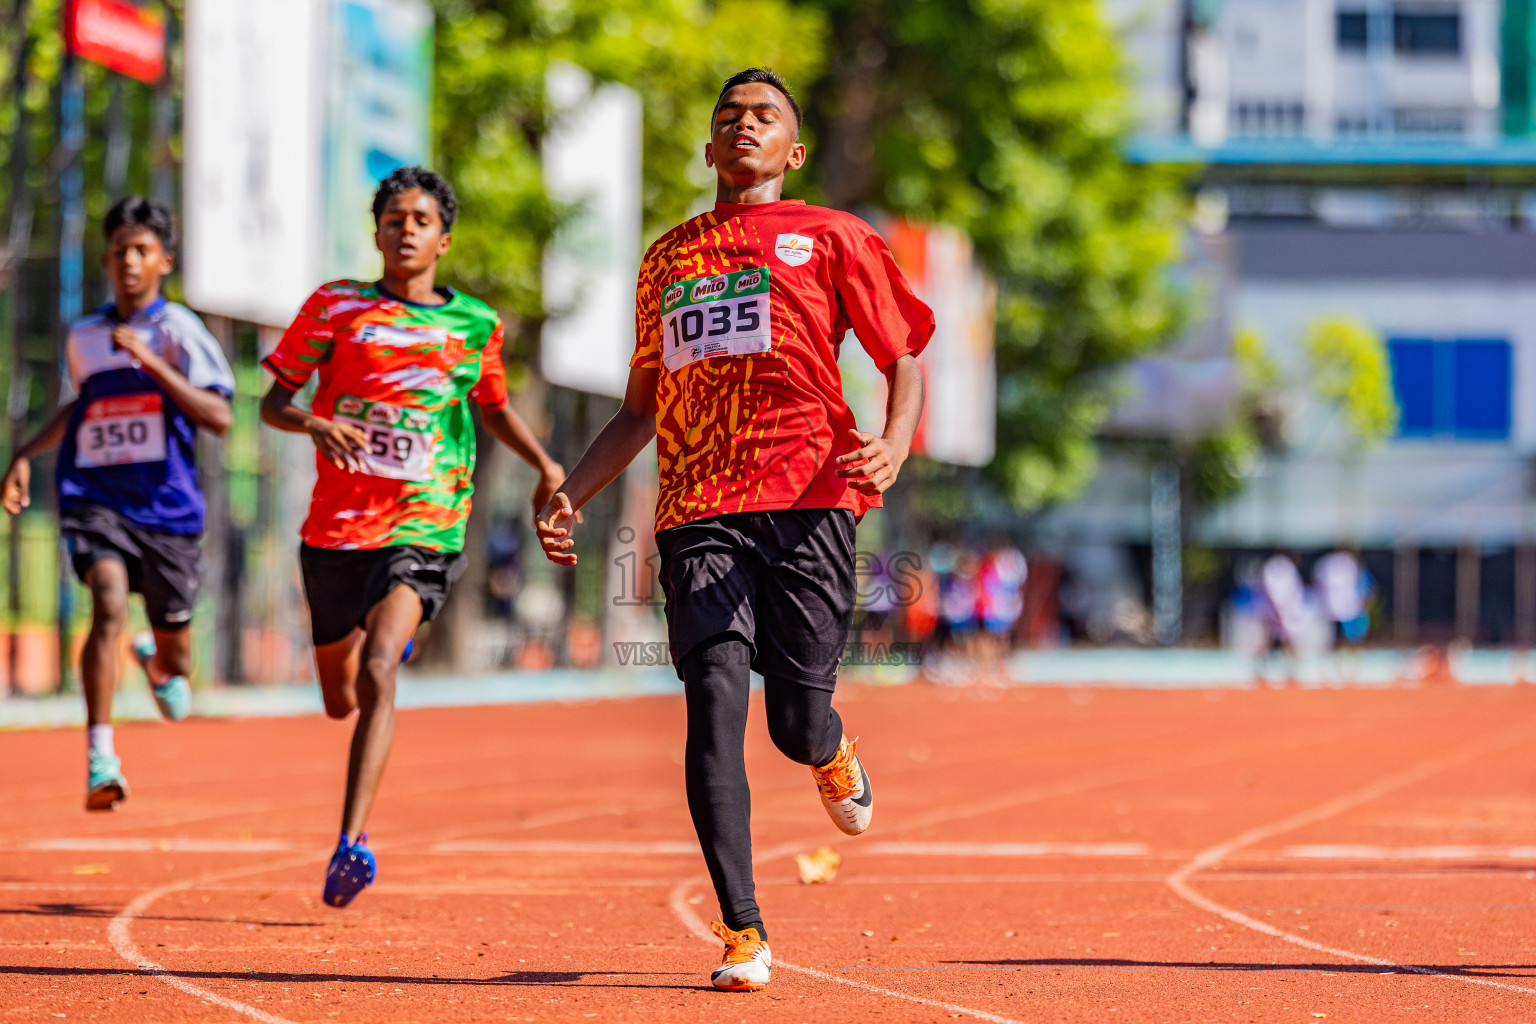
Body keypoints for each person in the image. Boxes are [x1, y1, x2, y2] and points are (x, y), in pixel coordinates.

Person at [535, 68, 932, 991]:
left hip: (811, 498)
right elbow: (639, 411)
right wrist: (570, 493)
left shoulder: (832, 236)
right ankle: (743, 928)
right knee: (712, 699)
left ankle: (830, 745)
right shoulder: (668, 259)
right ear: (709, 148)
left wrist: (895, 442)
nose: (743, 126)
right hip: (699, 509)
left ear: (793, 150)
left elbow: (903, 357)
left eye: (764, 117)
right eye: (728, 117)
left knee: (793, 724)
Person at [259, 166, 564, 909]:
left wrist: (548, 464)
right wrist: (315, 422)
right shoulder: (335, 306)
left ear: (443, 239)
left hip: (426, 521)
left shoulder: (475, 325)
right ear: (377, 233)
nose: (406, 230)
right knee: (340, 699)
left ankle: (349, 842)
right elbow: (273, 403)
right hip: (336, 530)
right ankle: (375, 646)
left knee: (379, 673)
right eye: (394, 219)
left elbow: (493, 407)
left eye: (421, 220)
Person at [1, 196, 235, 810]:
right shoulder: (85, 335)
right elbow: (79, 406)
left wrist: (152, 362)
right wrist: (23, 453)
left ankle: (157, 662)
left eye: (142, 251)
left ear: (164, 261)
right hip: (96, 496)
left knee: (179, 662)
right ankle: (101, 758)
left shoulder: (179, 330)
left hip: (167, 508)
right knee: (106, 604)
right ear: (105, 260)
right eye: (119, 252)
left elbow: (220, 417)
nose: (129, 261)